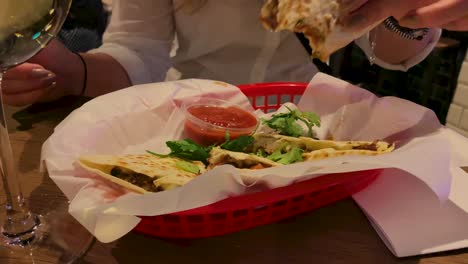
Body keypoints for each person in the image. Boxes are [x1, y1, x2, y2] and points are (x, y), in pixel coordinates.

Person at [2, 0, 468, 107]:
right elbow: (138, 50)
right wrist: (75, 72)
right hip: (184, 112)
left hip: (311, 121)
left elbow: (383, 50)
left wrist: (404, 17)